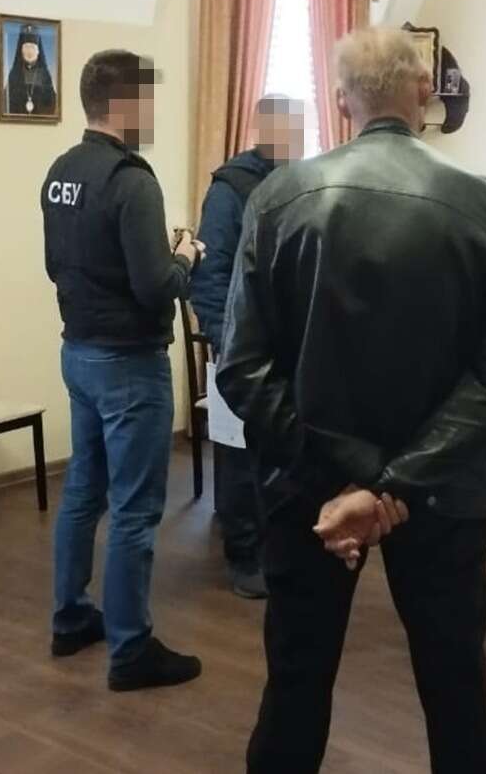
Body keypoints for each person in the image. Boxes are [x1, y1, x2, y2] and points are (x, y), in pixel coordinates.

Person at [219, 27, 486, 774]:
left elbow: (242, 366)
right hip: (440, 488)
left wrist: (352, 479)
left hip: (309, 488)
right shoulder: (483, 200)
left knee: (294, 685)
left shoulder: (279, 196)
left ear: (340, 101)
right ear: (424, 93)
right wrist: (391, 486)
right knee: (457, 694)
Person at [44, 49, 204, 692]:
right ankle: (131, 649)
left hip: (78, 351)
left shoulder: (61, 170)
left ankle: (69, 618)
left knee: (84, 491)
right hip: (130, 365)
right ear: (128, 102)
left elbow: (57, 264)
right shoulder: (133, 180)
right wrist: (185, 256)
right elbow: (155, 286)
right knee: (136, 509)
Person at [190, 93, 304, 600]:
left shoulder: (302, 181)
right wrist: (223, 338)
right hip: (240, 344)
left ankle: (281, 545)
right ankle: (243, 554)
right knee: (237, 456)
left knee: (285, 450)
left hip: (290, 345)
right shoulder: (230, 189)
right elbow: (210, 272)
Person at [7, 24, 57, 116]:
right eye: (26, 47)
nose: (29, 52)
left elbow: (52, 104)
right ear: (21, 51)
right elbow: (7, 104)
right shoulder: (14, 74)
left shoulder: (45, 76)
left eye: (32, 48)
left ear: (38, 51)